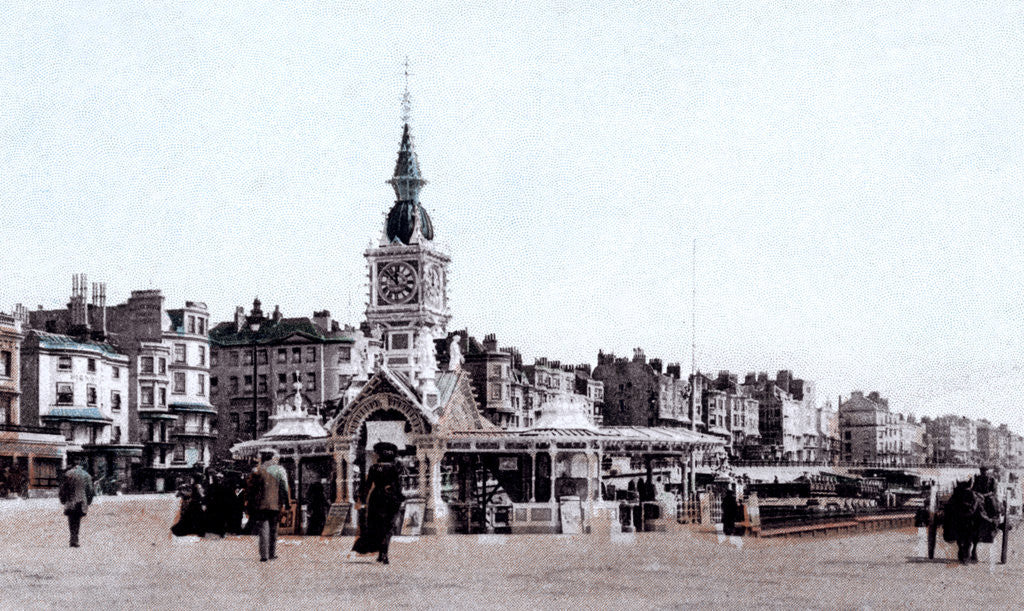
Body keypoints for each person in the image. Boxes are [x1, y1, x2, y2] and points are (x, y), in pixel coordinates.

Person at [351, 442, 405, 564]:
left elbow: (367, 485)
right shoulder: (395, 468)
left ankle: (381, 553)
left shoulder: (374, 468)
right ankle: (384, 553)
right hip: (391, 499)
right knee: (388, 527)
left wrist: (362, 500)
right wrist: (399, 498)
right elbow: (398, 486)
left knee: (376, 526)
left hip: (376, 499)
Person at [246, 450, 290, 562]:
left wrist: (250, 503)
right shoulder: (280, 470)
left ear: (263, 457)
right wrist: (287, 502)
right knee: (274, 529)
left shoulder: (256, 470)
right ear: (272, 457)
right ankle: (272, 553)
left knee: (263, 529)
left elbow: (250, 489)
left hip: (261, 504)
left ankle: (264, 555)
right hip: (275, 504)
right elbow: (284, 487)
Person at [59, 461, 94, 548]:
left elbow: (63, 489)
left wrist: (63, 500)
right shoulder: (87, 475)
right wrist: (88, 501)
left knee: (71, 520)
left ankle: (73, 539)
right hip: (81, 502)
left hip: (70, 501)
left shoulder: (68, 474)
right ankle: (75, 539)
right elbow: (90, 491)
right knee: (77, 520)